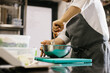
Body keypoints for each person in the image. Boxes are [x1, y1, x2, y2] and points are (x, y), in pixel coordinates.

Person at [40, 0, 110, 67]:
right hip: (77, 56)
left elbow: (80, 3)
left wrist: (62, 20)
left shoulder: (75, 8)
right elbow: (64, 37)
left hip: (96, 52)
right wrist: (51, 43)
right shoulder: (69, 9)